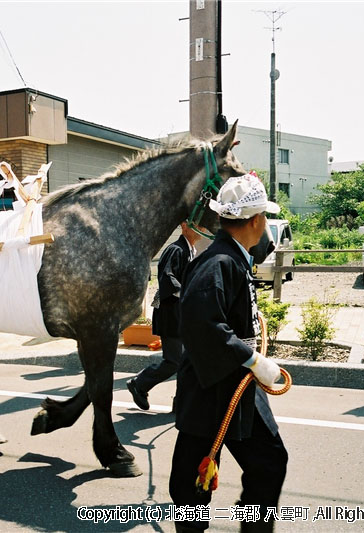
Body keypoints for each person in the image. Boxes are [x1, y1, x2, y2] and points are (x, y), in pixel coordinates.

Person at [169, 173, 285, 533]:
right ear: (256, 221)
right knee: (192, 486)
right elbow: (201, 323)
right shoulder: (218, 262)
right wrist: (252, 358)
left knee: (268, 462)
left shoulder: (232, 258)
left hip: (235, 384)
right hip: (212, 388)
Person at [127, 221, 207, 411]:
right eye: (198, 225)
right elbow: (167, 279)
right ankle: (140, 384)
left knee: (188, 360)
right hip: (170, 314)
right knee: (174, 361)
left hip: (182, 314)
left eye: (203, 226)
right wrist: (188, 293)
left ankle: (181, 402)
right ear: (184, 226)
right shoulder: (176, 250)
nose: (203, 229)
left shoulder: (190, 251)